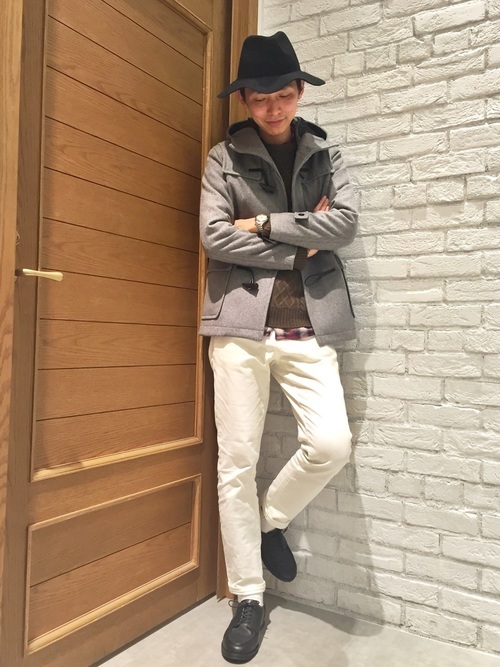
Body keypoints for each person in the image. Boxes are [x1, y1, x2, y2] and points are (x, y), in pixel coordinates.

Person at [199, 31, 358, 663]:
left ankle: (270, 522)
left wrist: (263, 222)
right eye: (261, 98)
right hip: (240, 326)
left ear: (299, 93)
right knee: (235, 461)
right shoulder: (223, 157)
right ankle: (247, 596)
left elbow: (343, 224)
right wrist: (299, 244)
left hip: (309, 326)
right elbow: (215, 236)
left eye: (284, 95)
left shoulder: (325, 152)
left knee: (331, 444)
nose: (273, 108)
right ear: (245, 100)